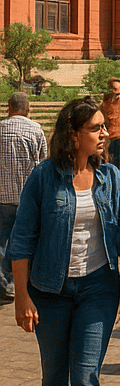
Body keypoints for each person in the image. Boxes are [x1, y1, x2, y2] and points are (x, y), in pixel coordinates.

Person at [10, 97, 120, 386]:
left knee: (85, 377)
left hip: (99, 288)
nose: (105, 133)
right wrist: (22, 296)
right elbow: (22, 238)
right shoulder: (43, 177)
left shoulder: (109, 177)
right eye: (95, 128)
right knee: (54, 378)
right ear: (72, 133)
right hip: (50, 292)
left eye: (103, 127)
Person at [1, 92, 47, 301]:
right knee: (26, 241)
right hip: (28, 197)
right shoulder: (35, 129)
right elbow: (43, 164)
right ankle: (27, 284)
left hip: (2, 198)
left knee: (2, 242)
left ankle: (4, 286)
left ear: (9, 109)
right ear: (27, 109)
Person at [100, 77, 120, 182]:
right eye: (113, 89)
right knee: (108, 160)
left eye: (117, 89)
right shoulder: (107, 99)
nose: (115, 92)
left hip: (119, 133)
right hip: (108, 134)